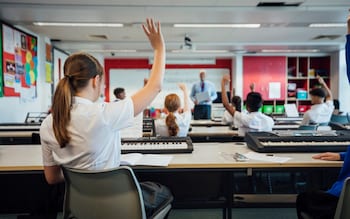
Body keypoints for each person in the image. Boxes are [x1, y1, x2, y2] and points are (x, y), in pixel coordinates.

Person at [40, 18, 172, 217]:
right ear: (95, 81)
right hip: (118, 207)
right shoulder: (105, 114)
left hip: (81, 208)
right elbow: (154, 87)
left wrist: (82, 174)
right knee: (163, 191)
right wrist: (159, 48)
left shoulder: (49, 123)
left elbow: (52, 178)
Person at [295, 15, 350, 219]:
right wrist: (342, 156)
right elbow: (330, 96)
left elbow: (300, 129)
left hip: (336, 197)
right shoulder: (328, 107)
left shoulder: (309, 112)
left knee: (305, 198)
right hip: (326, 134)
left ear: (313, 97)